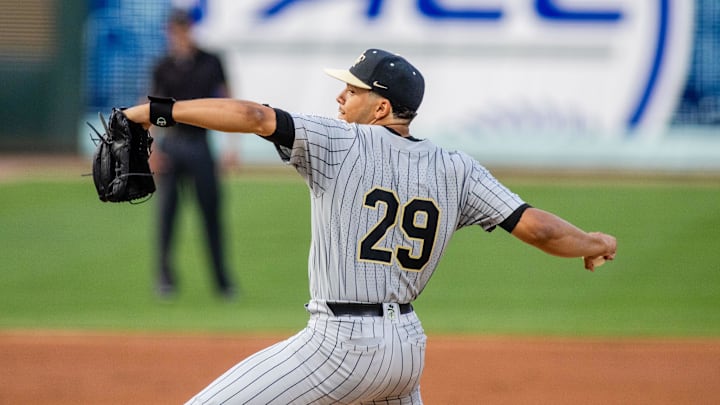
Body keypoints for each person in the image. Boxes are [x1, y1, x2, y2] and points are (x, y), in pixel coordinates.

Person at [124, 48, 617, 404]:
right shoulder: (456, 167)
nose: (341, 97)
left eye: (353, 90)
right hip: (405, 349)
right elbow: (540, 230)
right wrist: (593, 241)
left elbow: (253, 115)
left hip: (339, 346)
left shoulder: (337, 141)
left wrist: (153, 112)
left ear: (381, 108)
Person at [149, 9, 235, 298]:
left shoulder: (210, 61)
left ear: (190, 29)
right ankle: (165, 278)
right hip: (171, 145)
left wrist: (231, 147)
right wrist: (149, 149)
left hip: (200, 144)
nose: (179, 35)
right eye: (174, 30)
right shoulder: (162, 65)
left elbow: (228, 102)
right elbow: (149, 106)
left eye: (182, 29)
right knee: (166, 216)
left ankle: (222, 281)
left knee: (211, 213)